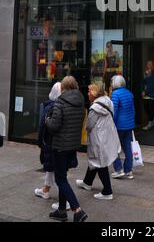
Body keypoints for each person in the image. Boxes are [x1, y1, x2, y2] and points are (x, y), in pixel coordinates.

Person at [45, 76, 87, 223]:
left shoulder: (60, 102)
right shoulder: (81, 102)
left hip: (60, 146)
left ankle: (77, 210)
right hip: (72, 145)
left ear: (63, 88)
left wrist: (47, 119)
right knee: (63, 175)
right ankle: (62, 211)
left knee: (60, 179)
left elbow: (54, 126)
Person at [76, 82, 121, 200]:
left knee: (99, 162)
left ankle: (107, 191)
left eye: (89, 91)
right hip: (107, 135)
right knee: (95, 160)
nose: (87, 93)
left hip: (99, 138)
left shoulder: (94, 108)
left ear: (94, 93)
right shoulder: (108, 101)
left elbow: (89, 125)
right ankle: (87, 182)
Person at [110, 75, 136, 179]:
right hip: (129, 125)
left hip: (119, 126)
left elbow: (114, 111)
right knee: (127, 148)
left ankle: (118, 169)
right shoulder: (129, 93)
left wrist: (112, 123)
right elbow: (133, 110)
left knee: (113, 148)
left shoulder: (115, 94)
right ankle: (128, 170)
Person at [141, 61, 154, 131]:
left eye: (150, 64)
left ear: (152, 65)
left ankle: (150, 122)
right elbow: (142, 82)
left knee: (150, 108)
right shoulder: (145, 73)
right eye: (148, 64)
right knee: (146, 108)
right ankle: (153, 119)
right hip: (145, 94)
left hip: (151, 94)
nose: (149, 65)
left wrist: (146, 92)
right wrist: (142, 91)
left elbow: (152, 84)